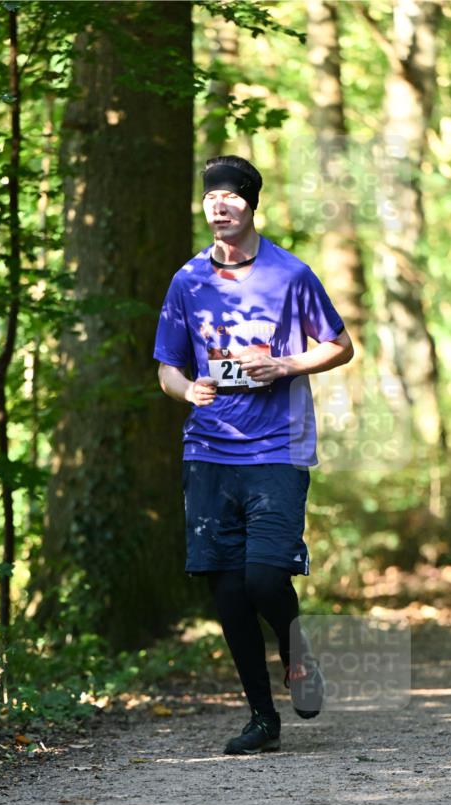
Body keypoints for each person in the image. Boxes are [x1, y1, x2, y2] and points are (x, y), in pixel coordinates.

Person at [153, 155, 355, 755]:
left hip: (277, 450)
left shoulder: (291, 275)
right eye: (210, 196)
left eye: (230, 196)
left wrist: (286, 364)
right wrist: (187, 389)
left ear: (250, 203)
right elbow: (167, 365)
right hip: (208, 451)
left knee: (267, 579)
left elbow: (340, 346)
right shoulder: (187, 280)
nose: (219, 205)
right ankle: (263, 718)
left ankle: (297, 653)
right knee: (228, 591)